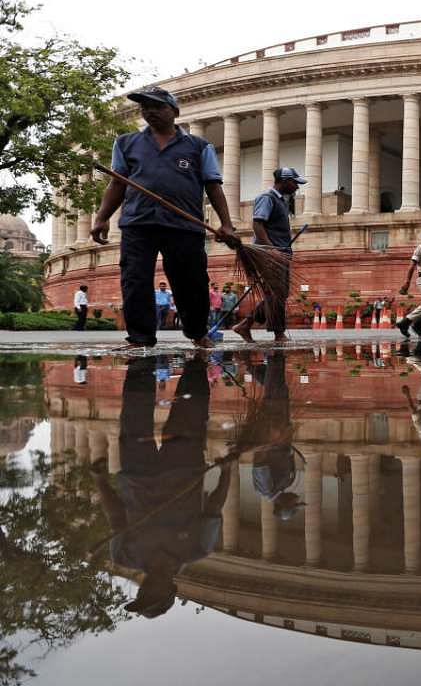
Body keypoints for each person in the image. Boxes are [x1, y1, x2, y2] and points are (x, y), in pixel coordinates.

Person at [90, 86, 240, 349]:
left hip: (185, 225)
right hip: (138, 223)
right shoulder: (126, 143)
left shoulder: (198, 146)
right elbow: (117, 184)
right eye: (145, 107)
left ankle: (197, 333)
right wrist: (102, 218)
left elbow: (213, 186)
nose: (150, 112)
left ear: (175, 111)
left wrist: (226, 223)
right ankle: (140, 338)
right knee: (134, 279)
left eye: (157, 106)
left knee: (191, 282)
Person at [90, 355, 228, 619]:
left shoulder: (124, 556)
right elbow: (213, 509)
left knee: (134, 415)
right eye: (152, 595)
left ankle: (141, 366)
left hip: (136, 474)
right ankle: (197, 364)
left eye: (142, 595)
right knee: (190, 414)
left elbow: (116, 516)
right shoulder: (198, 549)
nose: (145, 590)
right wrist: (227, 472)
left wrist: (100, 481)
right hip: (183, 471)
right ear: (170, 588)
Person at [231, 168, 303, 343]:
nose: (296, 187)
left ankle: (245, 325)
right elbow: (258, 224)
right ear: (284, 181)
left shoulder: (281, 201)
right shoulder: (267, 198)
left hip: (279, 253)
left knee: (279, 294)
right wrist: (271, 250)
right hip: (270, 254)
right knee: (275, 293)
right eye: (294, 183)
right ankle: (278, 333)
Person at [242, 354, 303, 520]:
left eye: (293, 503)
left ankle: (274, 355)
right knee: (279, 392)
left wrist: (271, 436)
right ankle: (270, 360)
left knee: (275, 394)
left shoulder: (266, 490)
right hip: (281, 431)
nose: (296, 499)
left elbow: (259, 459)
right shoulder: (283, 486)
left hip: (272, 429)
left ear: (283, 504)